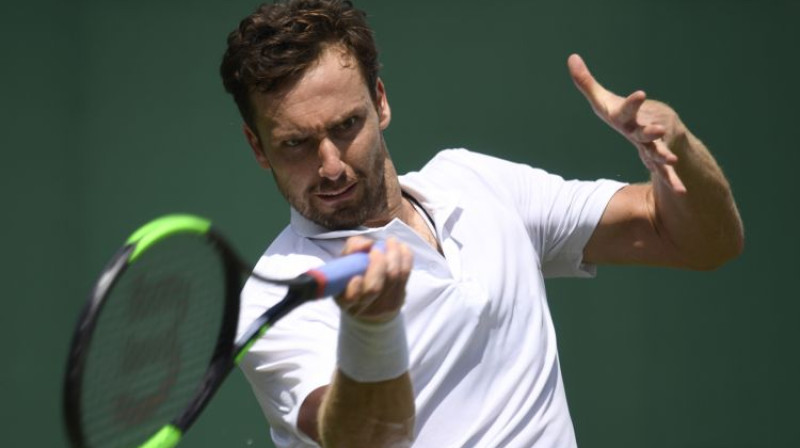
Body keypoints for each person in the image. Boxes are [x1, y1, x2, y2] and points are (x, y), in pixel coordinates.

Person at [220, 1, 744, 447]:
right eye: (296, 144)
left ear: (379, 102)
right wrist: (372, 327)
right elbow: (361, 439)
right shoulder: (272, 298)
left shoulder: (476, 181)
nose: (330, 163)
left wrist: (675, 145)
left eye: (345, 125)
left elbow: (701, 242)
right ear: (256, 146)